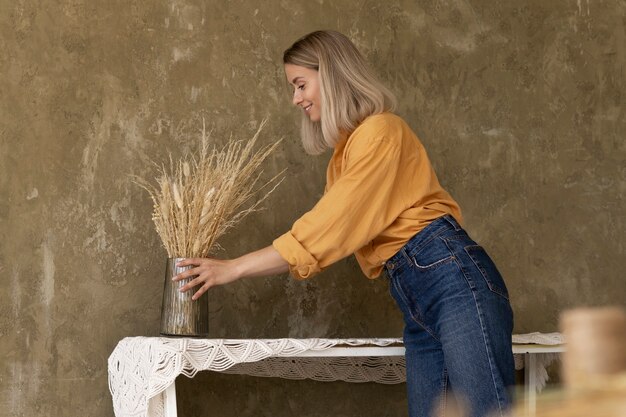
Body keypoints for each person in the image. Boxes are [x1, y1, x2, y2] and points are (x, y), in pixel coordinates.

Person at [173, 30, 515, 417]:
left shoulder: (382, 132)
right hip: (418, 294)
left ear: (332, 75)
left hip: (453, 281)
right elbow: (333, 227)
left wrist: (234, 268)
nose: (296, 98)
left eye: (301, 84)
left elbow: (329, 227)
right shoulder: (345, 155)